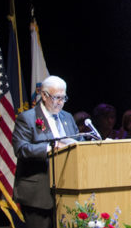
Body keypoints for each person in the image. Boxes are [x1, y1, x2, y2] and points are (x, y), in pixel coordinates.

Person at [13, 76, 80, 228]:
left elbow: (78, 143)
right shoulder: (27, 118)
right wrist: (51, 148)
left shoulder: (68, 117)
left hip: (68, 190)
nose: (60, 102)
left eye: (63, 98)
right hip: (38, 194)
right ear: (44, 95)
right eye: (57, 98)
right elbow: (21, 149)